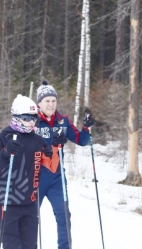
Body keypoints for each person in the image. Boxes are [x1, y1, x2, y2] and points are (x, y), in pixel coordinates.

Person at [0, 94, 59, 249]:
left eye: (34, 118)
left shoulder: (38, 140)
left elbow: (51, 166)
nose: (31, 122)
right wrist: (5, 154)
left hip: (30, 204)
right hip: (8, 202)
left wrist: (56, 146)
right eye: (27, 117)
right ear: (16, 116)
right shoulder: (5, 137)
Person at [35, 81, 94, 249]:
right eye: (47, 101)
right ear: (39, 103)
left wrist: (86, 128)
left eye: (53, 100)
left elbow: (81, 141)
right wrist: (48, 143)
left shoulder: (63, 121)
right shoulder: (33, 121)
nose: (51, 104)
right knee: (30, 217)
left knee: (64, 215)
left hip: (56, 178)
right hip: (36, 176)